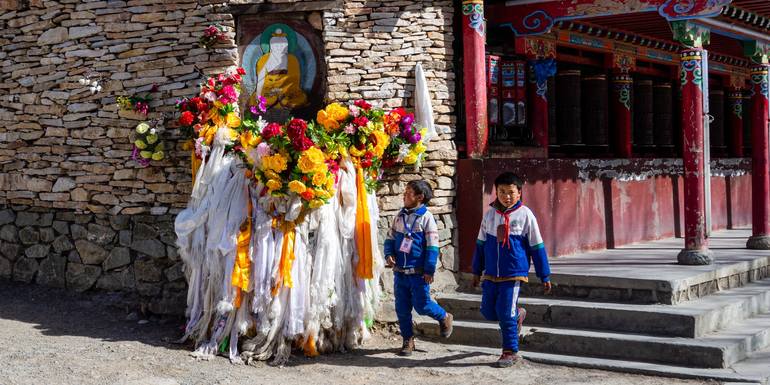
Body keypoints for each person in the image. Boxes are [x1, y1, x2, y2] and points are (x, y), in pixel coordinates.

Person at [472, 172, 552, 368]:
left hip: (513, 273)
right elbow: (480, 245)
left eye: (511, 192)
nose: (506, 196)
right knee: (488, 311)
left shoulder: (526, 215)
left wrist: (544, 275)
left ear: (519, 193)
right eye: (501, 192)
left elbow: (537, 247)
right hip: (491, 272)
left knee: (505, 313)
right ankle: (518, 315)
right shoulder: (489, 215)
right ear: (496, 192)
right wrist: (476, 270)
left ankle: (510, 351)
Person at [384, 180, 453, 356]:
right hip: (400, 272)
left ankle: (444, 316)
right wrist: (388, 253)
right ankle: (408, 340)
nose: (404, 195)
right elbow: (390, 238)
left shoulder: (426, 218)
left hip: (419, 273)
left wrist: (429, 269)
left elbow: (432, 246)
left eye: (408, 193)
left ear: (419, 197)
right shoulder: (399, 216)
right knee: (402, 308)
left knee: (422, 305)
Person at [249, 28, 308, 111]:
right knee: (258, 99)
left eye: (282, 45)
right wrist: (258, 93)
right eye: (276, 45)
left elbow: (295, 80)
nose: (279, 48)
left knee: (300, 98)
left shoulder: (292, 59)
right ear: (271, 46)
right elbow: (261, 80)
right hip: (268, 89)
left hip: (287, 90)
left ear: (286, 46)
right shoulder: (264, 59)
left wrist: (282, 90)